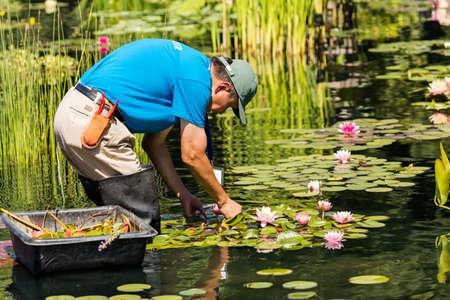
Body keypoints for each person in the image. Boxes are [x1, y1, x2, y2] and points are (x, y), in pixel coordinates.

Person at [54, 39, 257, 229]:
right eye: (229, 106)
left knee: (121, 224)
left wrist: (183, 194)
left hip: (74, 114)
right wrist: (225, 201)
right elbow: (192, 155)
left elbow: (154, 144)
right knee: (145, 223)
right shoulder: (198, 82)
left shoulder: (187, 69)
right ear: (223, 86)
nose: (221, 112)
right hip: (93, 120)